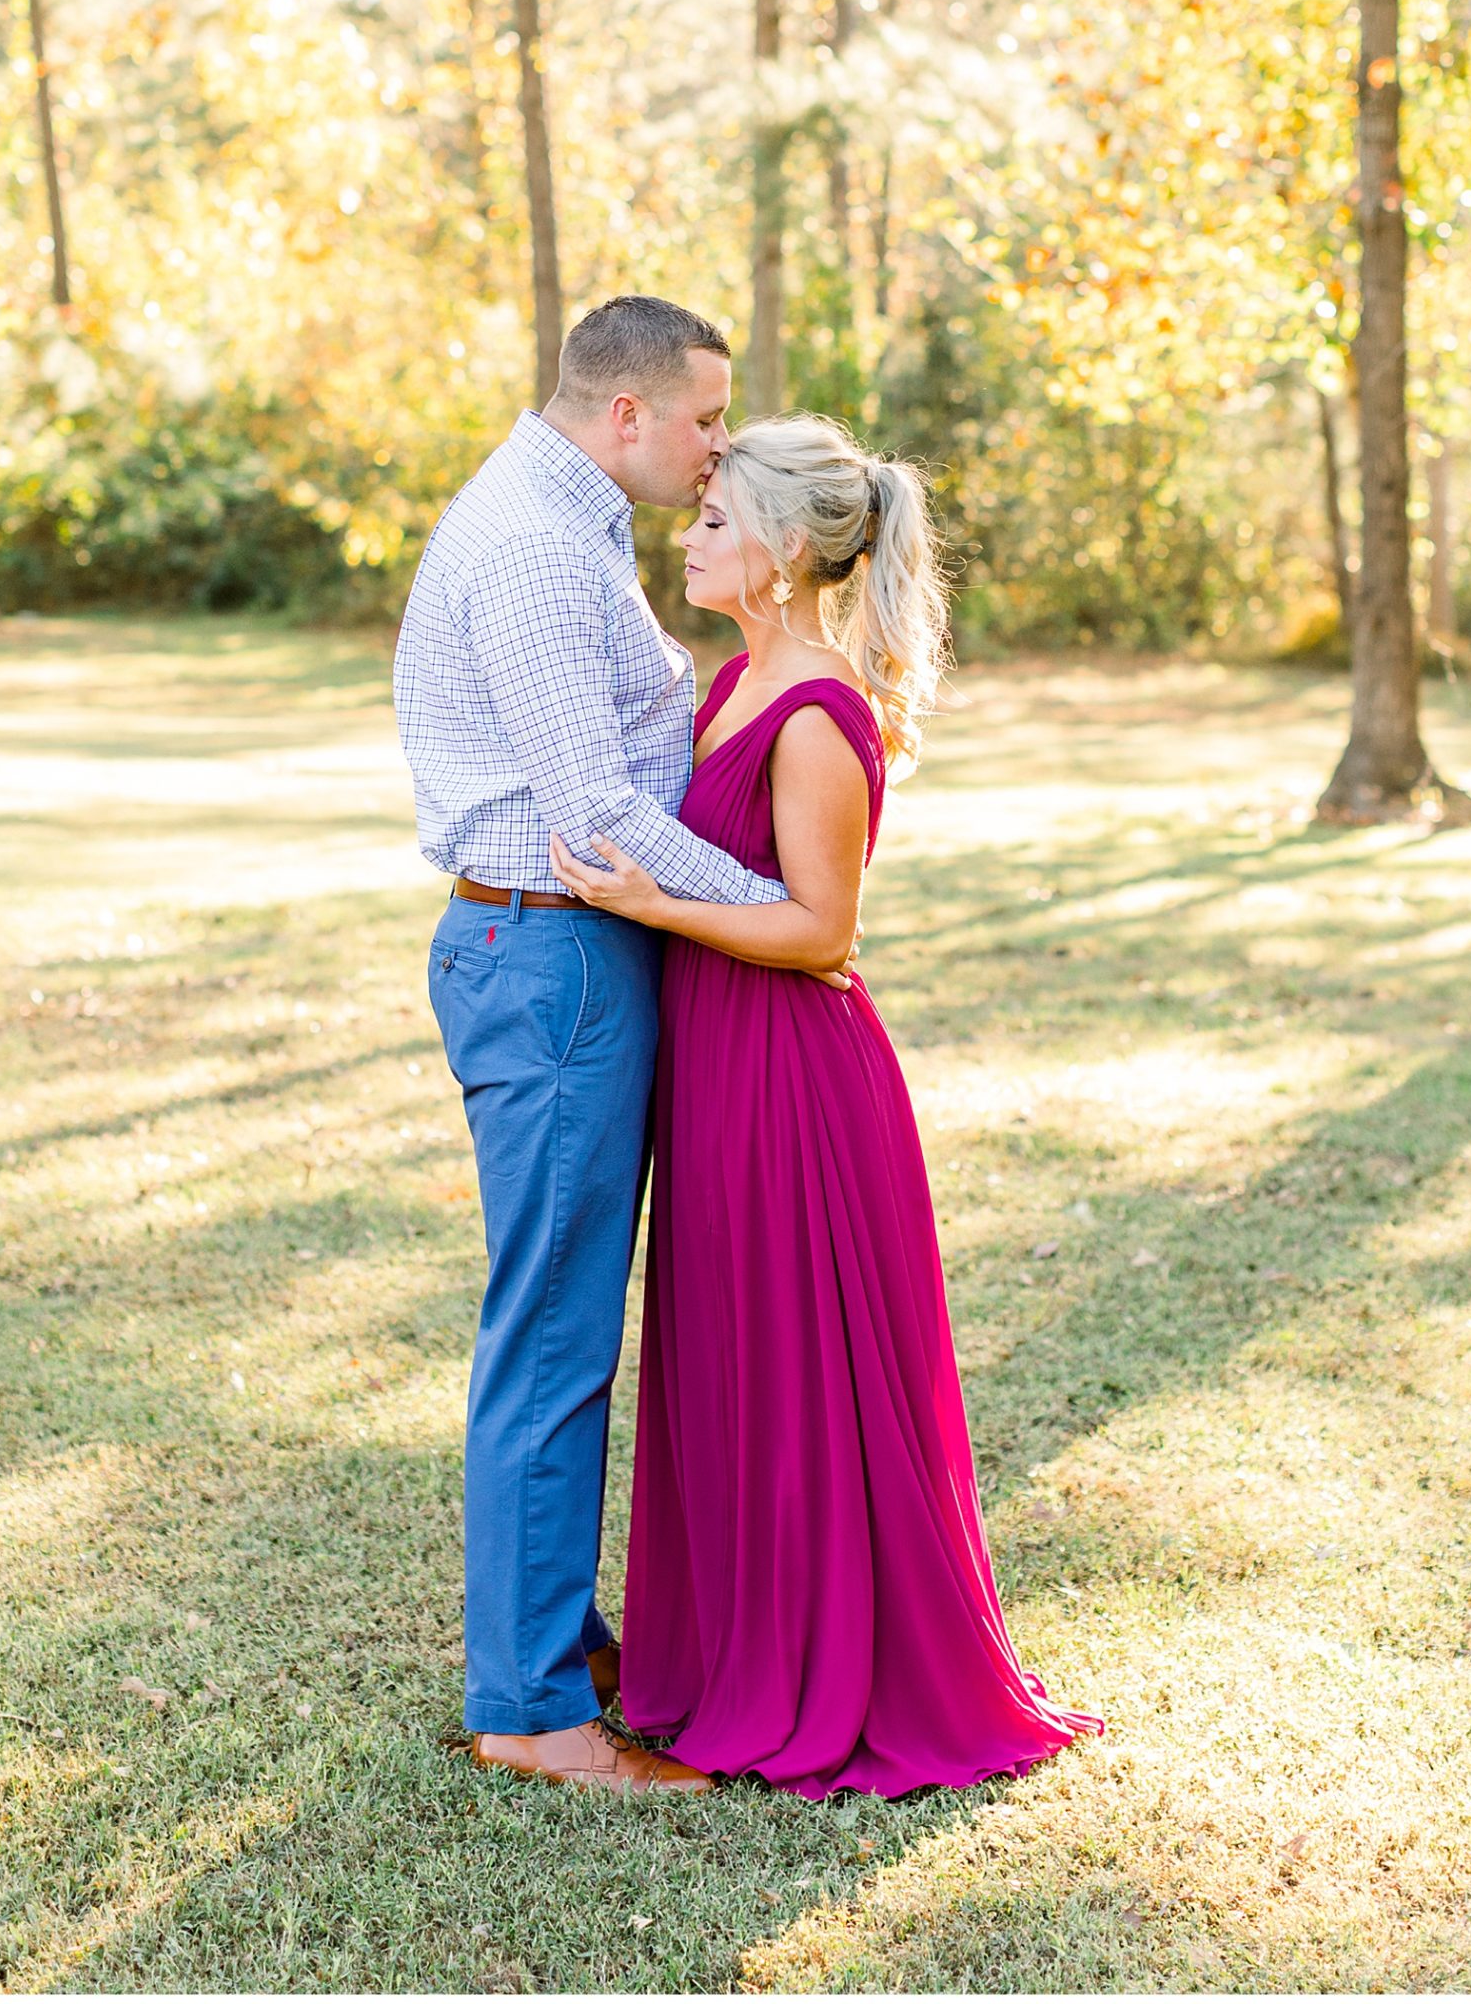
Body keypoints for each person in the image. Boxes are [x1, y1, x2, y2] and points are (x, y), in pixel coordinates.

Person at [549, 414, 1105, 1798]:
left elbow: (820, 933)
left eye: (714, 518)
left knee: (803, 1375)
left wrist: (645, 901)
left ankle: (833, 1665)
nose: (688, 533)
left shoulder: (815, 714)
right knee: (732, 1362)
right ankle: (729, 1648)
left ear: (788, 552)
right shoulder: (726, 684)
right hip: (715, 1070)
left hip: (796, 1082)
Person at [394, 295, 802, 1796]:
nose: (714, 455)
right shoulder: (528, 547)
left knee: (566, 1325)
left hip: (567, 953)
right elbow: (599, 817)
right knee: (555, 1337)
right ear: (624, 413)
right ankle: (530, 1709)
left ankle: (556, 1635)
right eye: (703, 420)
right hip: (550, 955)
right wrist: (789, 912)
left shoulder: (561, 524)